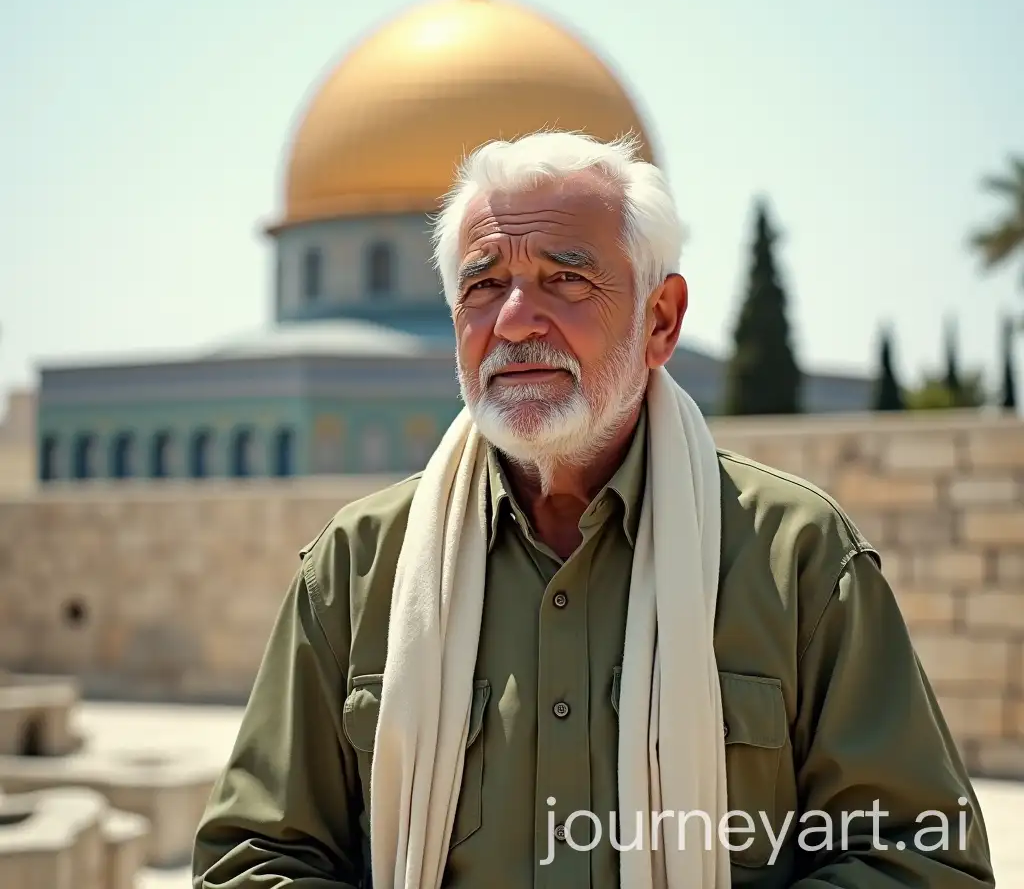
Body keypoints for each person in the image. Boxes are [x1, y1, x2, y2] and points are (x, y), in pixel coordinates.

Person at [192, 130, 995, 888]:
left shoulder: (798, 561)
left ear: (661, 318)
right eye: (482, 286)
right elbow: (256, 856)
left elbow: (917, 856)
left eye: (565, 278)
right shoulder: (360, 569)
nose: (513, 321)